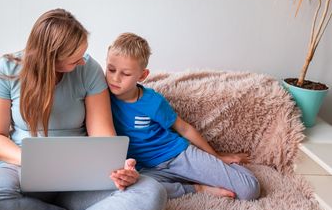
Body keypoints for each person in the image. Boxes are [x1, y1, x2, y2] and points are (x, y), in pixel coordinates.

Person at [0, 9, 167, 210]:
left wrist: (117, 167)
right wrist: (31, 161)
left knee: (151, 195)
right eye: (75, 59)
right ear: (51, 58)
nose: (83, 61)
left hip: (81, 178)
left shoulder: (88, 69)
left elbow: (103, 135)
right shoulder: (7, 69)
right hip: (22, 168)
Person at [105, 33, 260, 200]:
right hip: (145, 170)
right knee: (124, 191)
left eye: (125, 74)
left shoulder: (152, 101)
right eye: (111, 69)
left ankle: (222, 170)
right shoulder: (101, 96)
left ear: (142, 76)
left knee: (249, 191)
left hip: (177, 156)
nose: (115, 78)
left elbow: (184, 128)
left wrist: (217, 157)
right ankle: (196, 188)